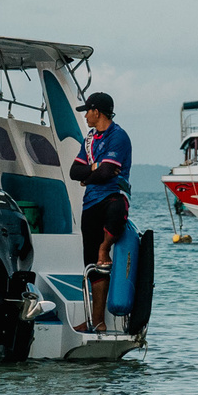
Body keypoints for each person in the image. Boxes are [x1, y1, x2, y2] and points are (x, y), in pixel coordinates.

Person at [68, 92, 132, 333]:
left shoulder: (119, 136)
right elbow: (75, 171)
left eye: (88, 111)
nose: (85, 116)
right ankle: (97, 321)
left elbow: (108, 174)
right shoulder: (90, 139)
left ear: (98, 111)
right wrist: (95, 168)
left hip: (114, 195)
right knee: (92, 264)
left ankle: (105, 248)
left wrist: (91, 174)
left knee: (116, 210)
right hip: (91, 203)